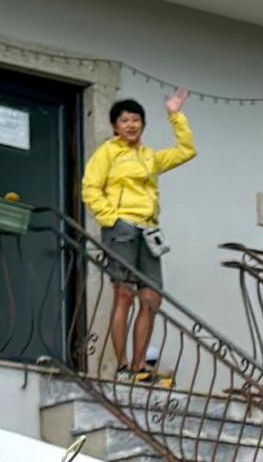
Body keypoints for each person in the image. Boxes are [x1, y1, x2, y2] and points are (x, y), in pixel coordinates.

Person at [80, 88, 193, 381]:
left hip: (149, 231)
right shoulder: (108, 152)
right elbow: (90, 188)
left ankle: (139, 366)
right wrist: (112, 218)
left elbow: (186, 151)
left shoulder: (149, 157)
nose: (130, 125)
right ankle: (122, 365)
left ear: (143, 124)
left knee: (151, 299)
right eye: (124, 120)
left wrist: (175, 114)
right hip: (121, 229)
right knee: (124, 295)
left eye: (136, 119)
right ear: (115, 127)